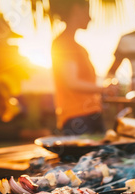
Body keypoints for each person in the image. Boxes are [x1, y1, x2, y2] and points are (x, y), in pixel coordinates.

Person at [50, 0, 116, 135]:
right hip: (77, 118)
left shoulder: (79, 48)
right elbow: (71, 82)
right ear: (76, 9)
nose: (91, 17)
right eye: (88, 10)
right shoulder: (63, 43)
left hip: (92, 114)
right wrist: (104, 90)